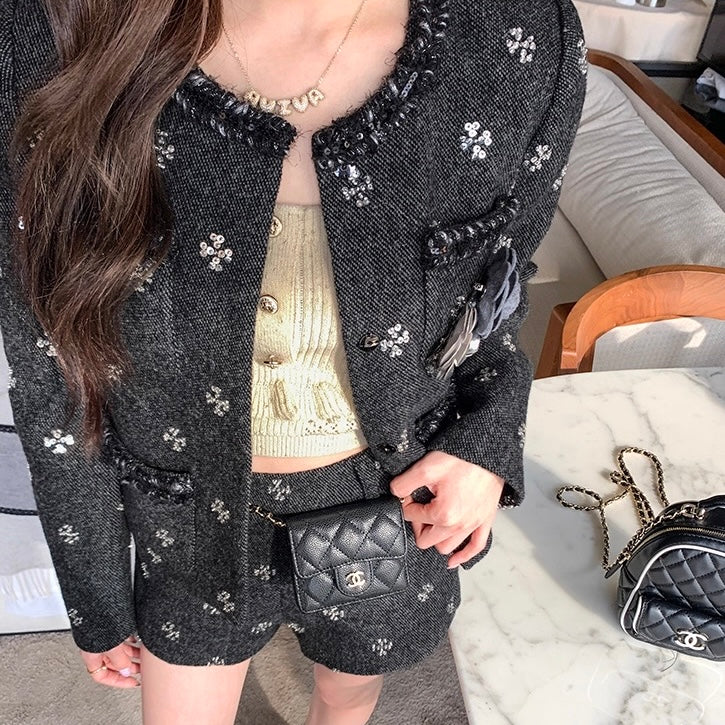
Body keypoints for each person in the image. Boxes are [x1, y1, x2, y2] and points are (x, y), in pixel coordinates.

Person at [0, 0, 587, 722]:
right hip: (184, 519)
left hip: (389, 501)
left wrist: (483, 445)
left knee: (348, 694)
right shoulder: (52, 27)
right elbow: (46, 356)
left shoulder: (521, 35)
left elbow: (498, 290)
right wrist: (95, 595)